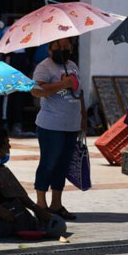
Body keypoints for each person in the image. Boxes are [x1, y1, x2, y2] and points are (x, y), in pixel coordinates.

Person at [0, 126, 66, 238]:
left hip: (9, 211)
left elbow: (17, 193)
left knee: (57, 225)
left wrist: (37, 209)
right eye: (6, 143)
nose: (9, 147)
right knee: (1, 228)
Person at [30, 38, 86, 221]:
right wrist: (63, 84)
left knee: (62, 165)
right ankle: (41, 204)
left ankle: (56, 203)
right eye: (59, 47)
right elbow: (36, 90)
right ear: (50, 49)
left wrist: (83, 118)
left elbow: (80, 93)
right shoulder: (44, 67)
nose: (63, 50)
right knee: (49, 163)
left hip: (71, 124)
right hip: (51, 125)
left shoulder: (73, 65)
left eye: (66, 47)